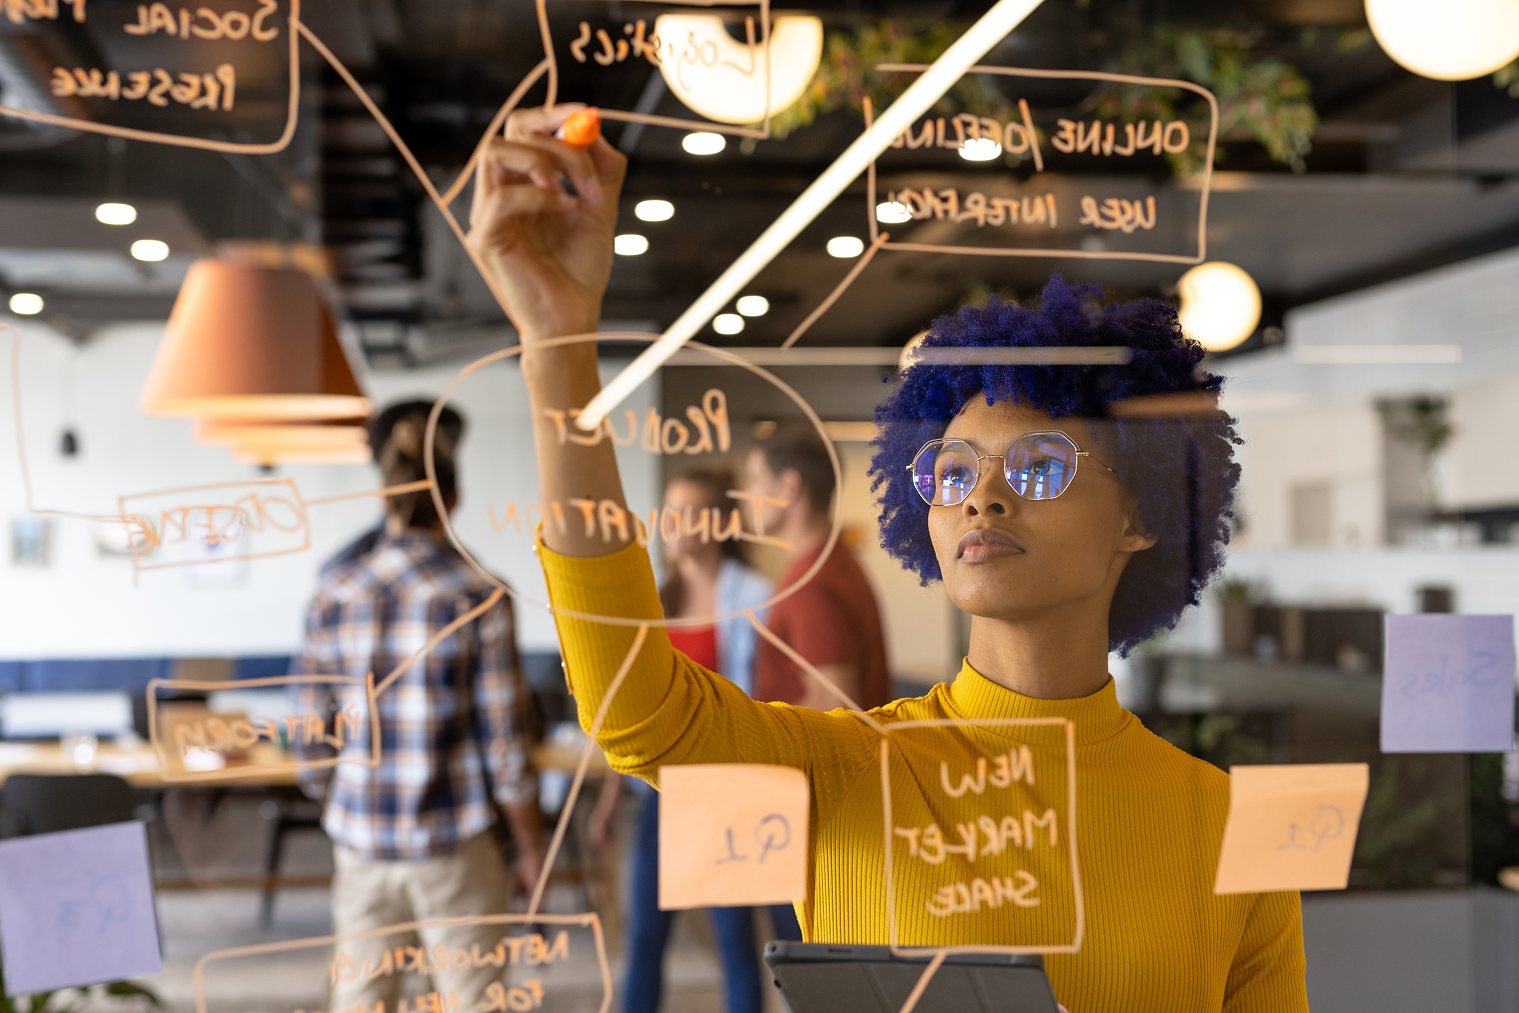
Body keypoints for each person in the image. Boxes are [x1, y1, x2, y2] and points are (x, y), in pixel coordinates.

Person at [466, 103, 1305, 1011]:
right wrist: (557, 349)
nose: (981, 497)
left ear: (1138, 514)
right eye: (952, 470)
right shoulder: (844, 770)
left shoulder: (1226, 826)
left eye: (1038, 464)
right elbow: (633, 709)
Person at [291, 401, 545, 1013]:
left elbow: (309, 742)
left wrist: (344, 801)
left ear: (384, 496)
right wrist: (532, 848)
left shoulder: (332, 594)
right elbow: (507, 752)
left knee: (361, 1002)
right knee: (472, 1002)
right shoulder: (480, 596)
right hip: (455, 847)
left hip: (360, 845)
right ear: (454, 498)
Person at [588, 469, 779, 1013]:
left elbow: (768, 701)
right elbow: (633, 713)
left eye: (688, 512)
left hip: (726, 797)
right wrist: (610, 798)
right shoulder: (652, 598)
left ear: (719, 523)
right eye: (668, 511)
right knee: (645, 940)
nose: (672, 523)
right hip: (661, 795)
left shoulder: (755, 597)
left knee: (734, 944)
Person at [744, 423, 891, 713]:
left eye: (755, 480)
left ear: (788, 487)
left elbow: (833, 708)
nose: (746, 495)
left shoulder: (812, 582)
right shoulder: (833, 561)